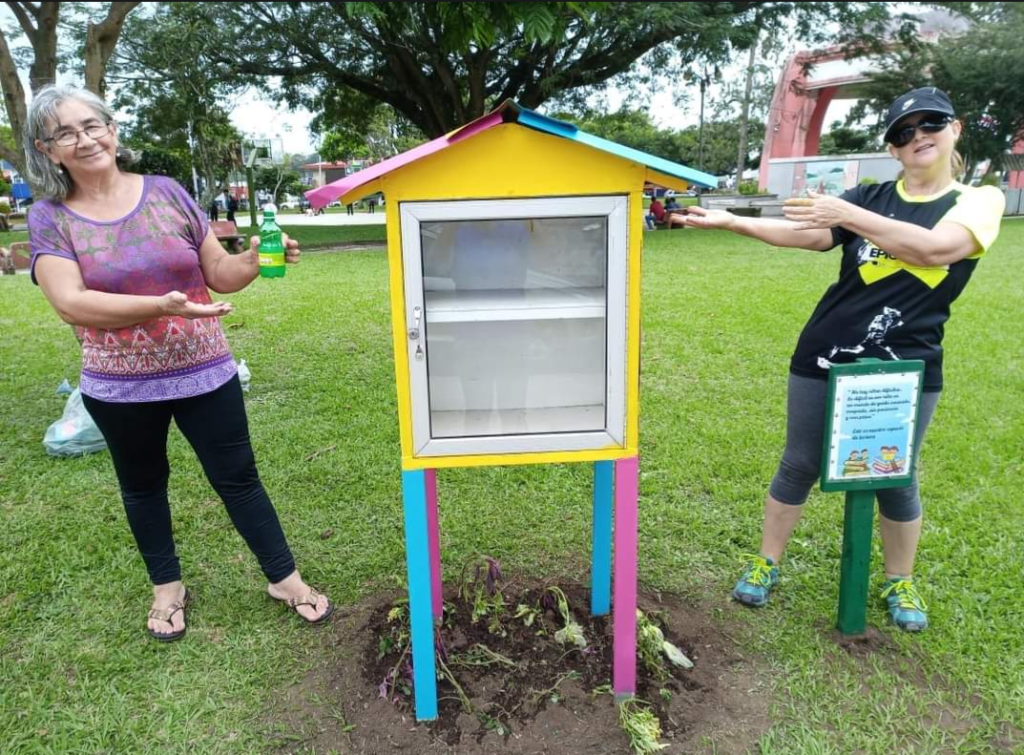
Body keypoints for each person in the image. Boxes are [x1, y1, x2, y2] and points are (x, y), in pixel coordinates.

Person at [679, 87, 1004, 632]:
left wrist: (848, 212)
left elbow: (934, 249)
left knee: (894, 475)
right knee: (799, 462)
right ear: (893, 149)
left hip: (908, 367)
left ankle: (899, 579)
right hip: (825, 352)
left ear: (956, 129)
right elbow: (804, 235)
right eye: (904, 132)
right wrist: (734, 222)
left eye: (930, 125)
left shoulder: (979, 200)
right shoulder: (871, 198)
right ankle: (766, 562)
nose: (918, 137)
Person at [24, 84, 333, 642]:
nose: (85, 139)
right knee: (143, 486)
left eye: (92, 125)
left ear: (112, 130)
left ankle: (284, 578)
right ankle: (167, 588)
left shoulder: (168, 192)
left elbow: (218, 272)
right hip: (118, 385)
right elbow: (70, 301)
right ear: (48, 150)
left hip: (204, 370)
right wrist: (160, 306)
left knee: (238, 478)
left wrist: (258, 260)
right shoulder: (50, 217)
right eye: (66, 133)